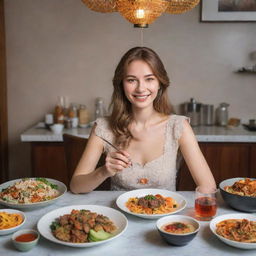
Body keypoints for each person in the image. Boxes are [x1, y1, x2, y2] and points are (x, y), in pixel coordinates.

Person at [70, 47, 216, 193]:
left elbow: (208, 187)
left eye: (149, 79)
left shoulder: (178, 127)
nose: (141, 88)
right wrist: (104, 171)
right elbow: (76, 186)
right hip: (118, 215)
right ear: (121, 84)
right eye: (131, 80)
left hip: (165, 213)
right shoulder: (103, 127)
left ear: (160, 83)